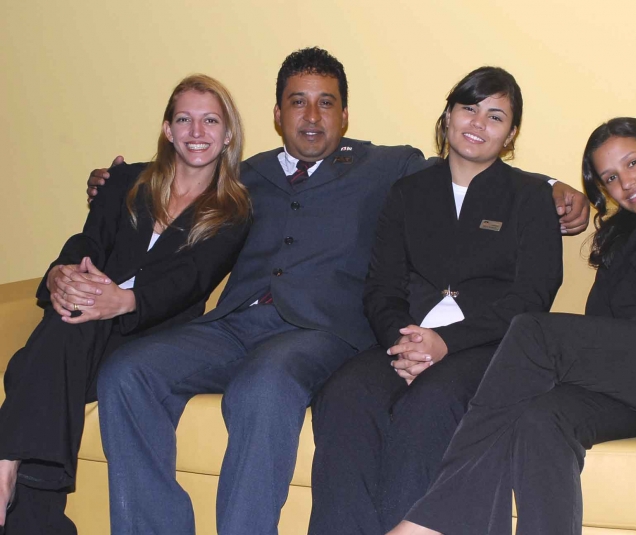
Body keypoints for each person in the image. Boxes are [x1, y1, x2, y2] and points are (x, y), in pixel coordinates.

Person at [88, 48, 590, 535]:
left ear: (344, 115)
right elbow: (179, 173)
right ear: (277, 115)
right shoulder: (242, 174)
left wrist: (553, 186)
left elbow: (468, 166)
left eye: (326, 102)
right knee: (127, 373)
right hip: (234, 323)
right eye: (297, 102)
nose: (312, 116)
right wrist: (115, 183)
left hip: (319, 332)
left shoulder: (386, 166)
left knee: (262, 387)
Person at [388, 117, 636, 535]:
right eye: (611, 178)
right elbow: (600, 326)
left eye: (633, 162)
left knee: (536, 332)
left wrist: (583, 353)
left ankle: (439, 515)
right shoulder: (620, 246)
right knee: (540, 416)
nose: (626, 183)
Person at [309, 66, 563, 535]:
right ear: (448, 117)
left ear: (511, 135)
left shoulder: (530, 197)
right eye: (469, 108)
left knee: (430, 402)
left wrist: (446, 343)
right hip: (407, 339)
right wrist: (406, 342)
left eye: (495, 116)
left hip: (487, 345)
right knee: (345, 394)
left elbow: (532, 296)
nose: (478, 123)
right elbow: (381, 287)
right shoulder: (408, 192)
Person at [0, 74, 252, 535]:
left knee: (37, 358)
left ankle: (8, 473)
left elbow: (191, 279)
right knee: (74, 321)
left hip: (150, 332)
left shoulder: (233, 211)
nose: (197, 132)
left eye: (211, 121)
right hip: (84, 319)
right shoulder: (125, 182)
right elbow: (88, 241)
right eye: (185, 120)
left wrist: (125, 300)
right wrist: (59, 274)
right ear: (168, 130)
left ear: (228, 134)